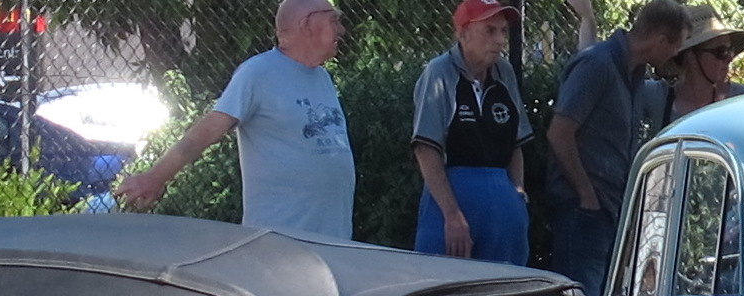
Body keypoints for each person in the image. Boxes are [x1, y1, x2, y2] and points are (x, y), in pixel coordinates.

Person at [116, 0, 354, 240]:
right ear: (307, 24)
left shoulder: (322, 78)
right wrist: (155, 177)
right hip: (281, 242)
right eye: (333, 20)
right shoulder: (258, 73)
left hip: (333, 241)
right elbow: (209, 130)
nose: (341, 29)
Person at [544, 0, 690, 296]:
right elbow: (559, 132)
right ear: (660, 40)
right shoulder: (597, 65)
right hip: (583, 212)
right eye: (677, 46)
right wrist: (586, 195)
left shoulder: (633, 74)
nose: (676, 55)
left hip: (608, 210)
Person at [411, 0, 534, 262]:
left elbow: (516, 143)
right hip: (453, 199)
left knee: (505, 284)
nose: (500, 40)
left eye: (503, 31)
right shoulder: (439, 73)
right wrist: (452, 215)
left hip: (502, 203)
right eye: (490, 30)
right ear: (463, 33)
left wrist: (517, 196)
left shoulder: (504, 73)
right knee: (444, 281)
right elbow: (426, 149)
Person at [636, 4, 744, 137]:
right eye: (721, 52)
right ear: (691, 57)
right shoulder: (656, 97)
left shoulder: (740, 99)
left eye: (730, 50)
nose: (730, 58)